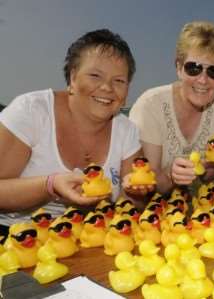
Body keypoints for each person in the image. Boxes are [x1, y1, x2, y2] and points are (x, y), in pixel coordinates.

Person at [0, 29, 142, 232]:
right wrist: (50, 185)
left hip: (90, 237)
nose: (107, 88)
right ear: (73, 78)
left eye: (119, 81)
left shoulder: (127, 131)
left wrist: (138, 192)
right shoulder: (31, 111)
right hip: (16, 237)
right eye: (95, 76)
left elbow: (133, 204)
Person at [129, 21, 214, 194]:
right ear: (179, 67)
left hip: (203, 208)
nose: (203, 80)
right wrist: (171, 175)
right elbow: (145, 186)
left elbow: (208, 176)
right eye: (193, 68)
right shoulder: (150, 106)